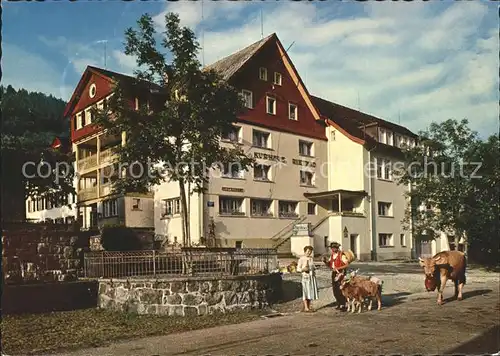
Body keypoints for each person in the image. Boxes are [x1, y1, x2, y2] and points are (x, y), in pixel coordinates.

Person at [323, 242, 350, 311]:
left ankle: (343, 304)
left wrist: (338, 268)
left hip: (341, 273)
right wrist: (325, 262)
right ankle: (339, 303)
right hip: (334, 273)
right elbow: (330, 264)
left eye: (335, 248)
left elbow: (346, 265)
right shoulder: (332, 256)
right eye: (332, 248)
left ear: (337, 248)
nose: (333, 249)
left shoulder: (341, 255)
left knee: (341, 289)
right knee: (335, 289)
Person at [297, 245, 319, 312]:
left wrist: (314, 268)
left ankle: (308, 307)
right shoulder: (301, 259)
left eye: (310, 251)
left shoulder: (311, 258)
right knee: (305, 292)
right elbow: (298, 269)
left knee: (310, 292)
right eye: (308, 251)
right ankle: (306, 307)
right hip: (305, 278)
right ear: (305, 251)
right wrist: (303, 269)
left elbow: (312, 266)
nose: (309, 253)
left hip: (311, 277)